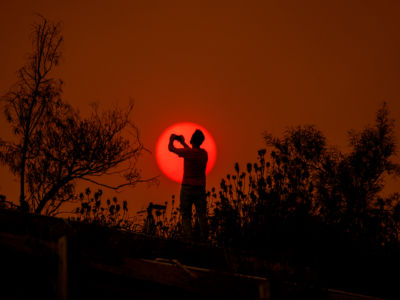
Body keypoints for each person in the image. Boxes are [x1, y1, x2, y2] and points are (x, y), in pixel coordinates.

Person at [168, 129, 208, 239]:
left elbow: (171, 149)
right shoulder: (204, 154)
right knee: (201, 215)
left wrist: (172, 139)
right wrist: (182, 142)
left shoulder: (189, 153)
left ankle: (189, 238)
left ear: (192, 140)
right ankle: (204, 237)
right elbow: (191, 153)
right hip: (200, 188)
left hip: (187, 188)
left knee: (186, 215)